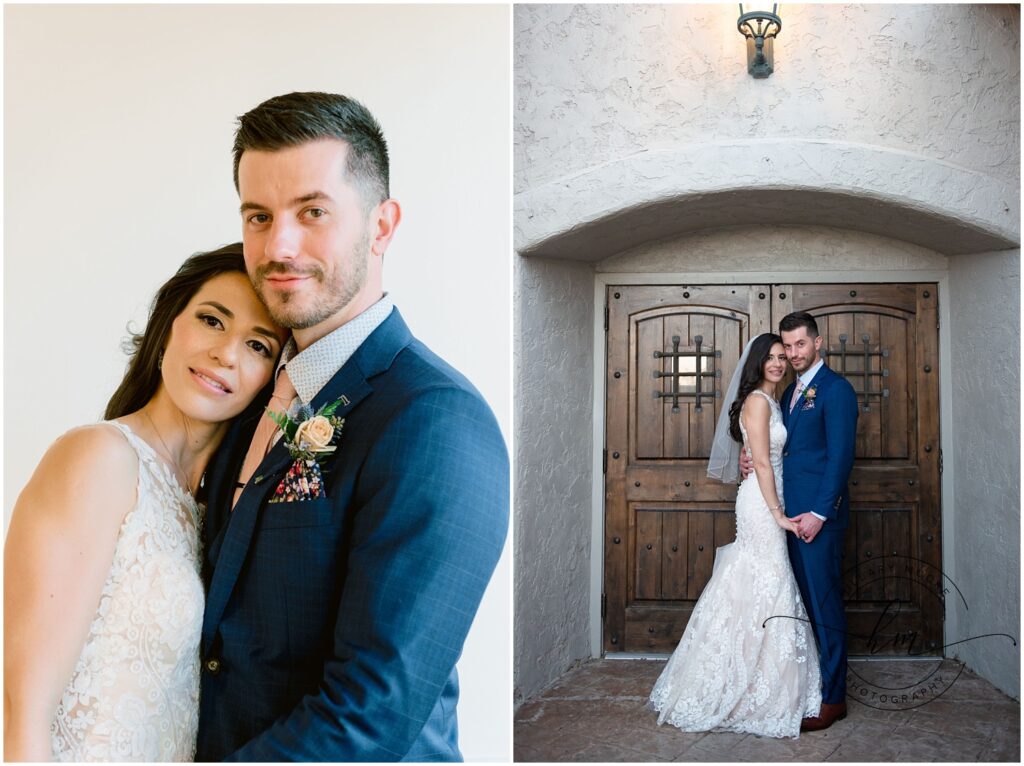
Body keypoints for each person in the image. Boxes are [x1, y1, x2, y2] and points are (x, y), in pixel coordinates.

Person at [195, 92, 509, 761]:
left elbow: (372, 715)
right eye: (259, 216)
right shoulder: (244, 394)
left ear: (382, 226)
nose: (279, 245)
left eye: (312, 212)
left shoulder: (434, 419)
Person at [4, 244, 288, 761]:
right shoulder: (100, 459)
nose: (227, 353)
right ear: (168, 327)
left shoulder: (216, 511)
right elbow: (22, 714)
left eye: (259, 346)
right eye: (211, 320)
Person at [649, 333, 822, 738]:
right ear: (758, 363)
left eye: (784, 357)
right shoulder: (759, 402)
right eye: (772, 358)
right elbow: (762, 462)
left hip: (768, 494)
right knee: (767, 581)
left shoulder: (773, 402)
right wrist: (778, 514)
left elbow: (763, 454)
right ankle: (741, 686)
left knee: (760, 585)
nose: (779, 363)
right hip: (763, 505)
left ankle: (764, 680)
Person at [741, 311, 858, 732]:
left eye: (799, 345)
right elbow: (782, 449)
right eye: (786, 347)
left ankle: (833, 699)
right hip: (786, 516)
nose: (792, 354)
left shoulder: (836, 390)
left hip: (815, 519)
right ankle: (811, 685)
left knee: (824, 605)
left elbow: (840, 457)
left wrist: (820, 513)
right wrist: (750, 455)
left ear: (817, 343)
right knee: (801, 603)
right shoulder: (788, 394)